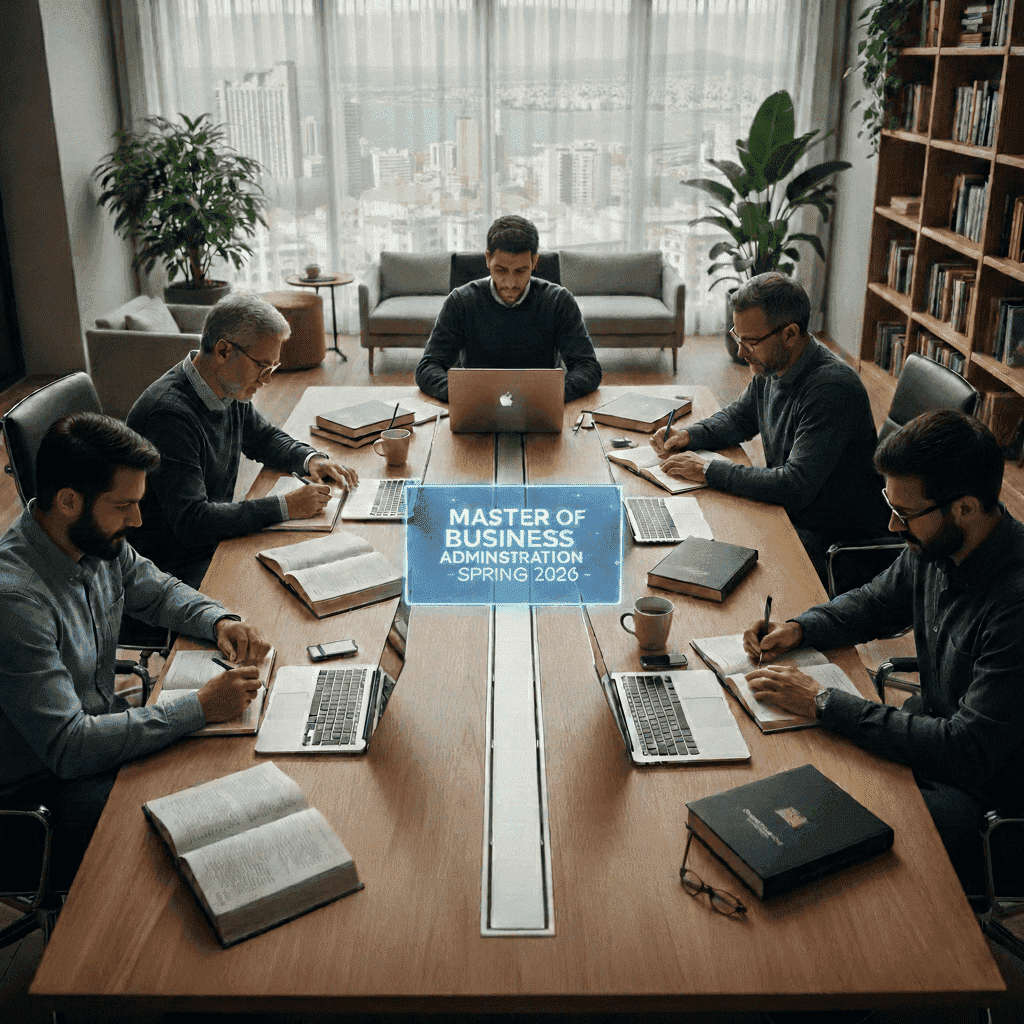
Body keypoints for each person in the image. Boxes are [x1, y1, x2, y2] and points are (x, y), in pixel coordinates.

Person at [743, 410, 1024, 895]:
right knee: (800, 776)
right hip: (939, 743)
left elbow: (967, 752)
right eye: (889, 504)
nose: (892, 526)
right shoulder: (940, 544)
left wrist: (825, 702)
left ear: (965, 508)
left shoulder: (1015, 606)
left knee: (824, 837)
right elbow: (877, 601)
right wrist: (800, 628)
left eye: (906, 513)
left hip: (990, 804)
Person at [0, 413, 271, 888]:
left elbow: (158, 591)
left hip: (93, 743)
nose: (138, 520)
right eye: (124, 505)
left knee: (224, 779)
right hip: (36, 801)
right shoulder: (16, 603)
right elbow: (69, 748)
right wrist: (199, 708)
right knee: (200, 824)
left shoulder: (92, 537)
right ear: (68, 501)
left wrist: (218, 619)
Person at [652, 272, 890, 584]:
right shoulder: (774, 362)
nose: (740, 352)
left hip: (832, 545)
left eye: (749, 342)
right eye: (738, 337)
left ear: (790, 333)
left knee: (711, 568)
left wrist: (708, 470)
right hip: (790, 518)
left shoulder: (831, 388)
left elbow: (794, 486)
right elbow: (739, 418)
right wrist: (688, 435)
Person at [126, 291, 358, 589]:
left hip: (213, 543)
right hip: (173, 569)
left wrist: (311, 459)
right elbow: (193, 522)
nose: (267, 379)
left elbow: (263, 438)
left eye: (272, 368)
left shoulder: (226, 387)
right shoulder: (168, 417)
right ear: (223, 351)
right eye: (263, 366)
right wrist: (283, 506)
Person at [414, 215, 602, 403]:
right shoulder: (460, 301)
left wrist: (551, 396)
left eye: (520, 271)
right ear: (488, 259)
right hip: (476, 406)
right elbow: (428, 367)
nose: (510, 283)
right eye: (501, 270)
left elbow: (588, 367)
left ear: (534, 262)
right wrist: (465, 395)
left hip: (540, 406)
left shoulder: (559, 301)